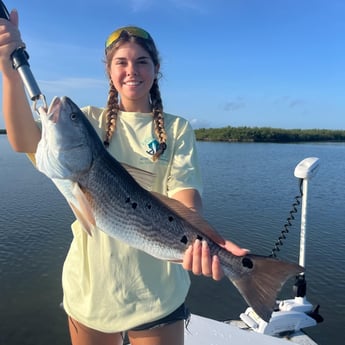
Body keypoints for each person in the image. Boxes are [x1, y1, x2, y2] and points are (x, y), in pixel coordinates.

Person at [0, 9, 248, 345]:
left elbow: (186, 196)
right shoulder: (88, 120)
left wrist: (206, 242)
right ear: (109, 71)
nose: (132, 70)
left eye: (142, 61)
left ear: (156, 69)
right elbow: (24, 140)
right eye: (122, 62)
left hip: (158, 296)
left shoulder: (177, 129)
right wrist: (10, 72)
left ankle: (250, 278)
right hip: (91, 293)